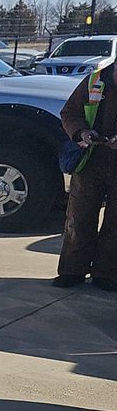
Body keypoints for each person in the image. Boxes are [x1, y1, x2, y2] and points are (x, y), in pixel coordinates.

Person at [54, 57, 117, 290]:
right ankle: (72, 271)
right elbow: (69, 112)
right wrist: (81, 132)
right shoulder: (93, 81)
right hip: (90, 162)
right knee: (79, 218)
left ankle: (107, 275)